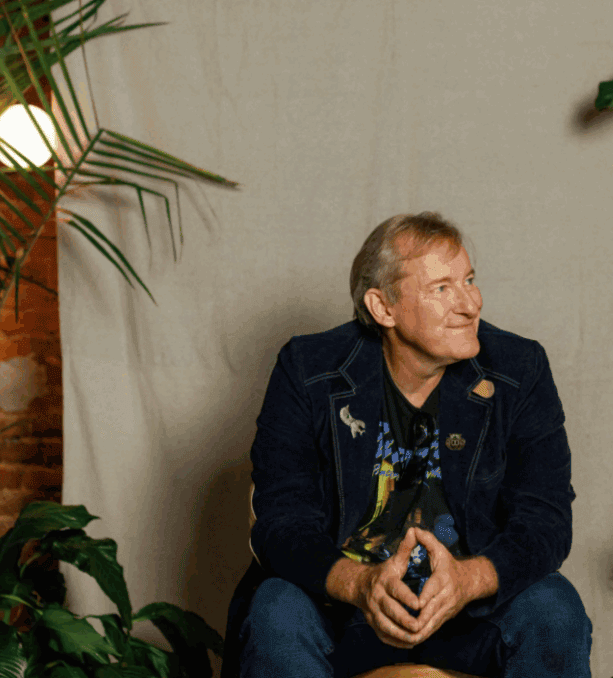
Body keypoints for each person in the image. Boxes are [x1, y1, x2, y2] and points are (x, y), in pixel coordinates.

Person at [222, 212, 592, 678]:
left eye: (470, 280)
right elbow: (280, 521)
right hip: (346, 609)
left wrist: (467, 580)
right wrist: (360, 585)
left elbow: (547, 519)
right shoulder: (307, 370)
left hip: (467, 610)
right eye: (442, 288)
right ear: (383, 308)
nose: (471, 303)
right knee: (276, 608)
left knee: (554, 607)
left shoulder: (520, 370)